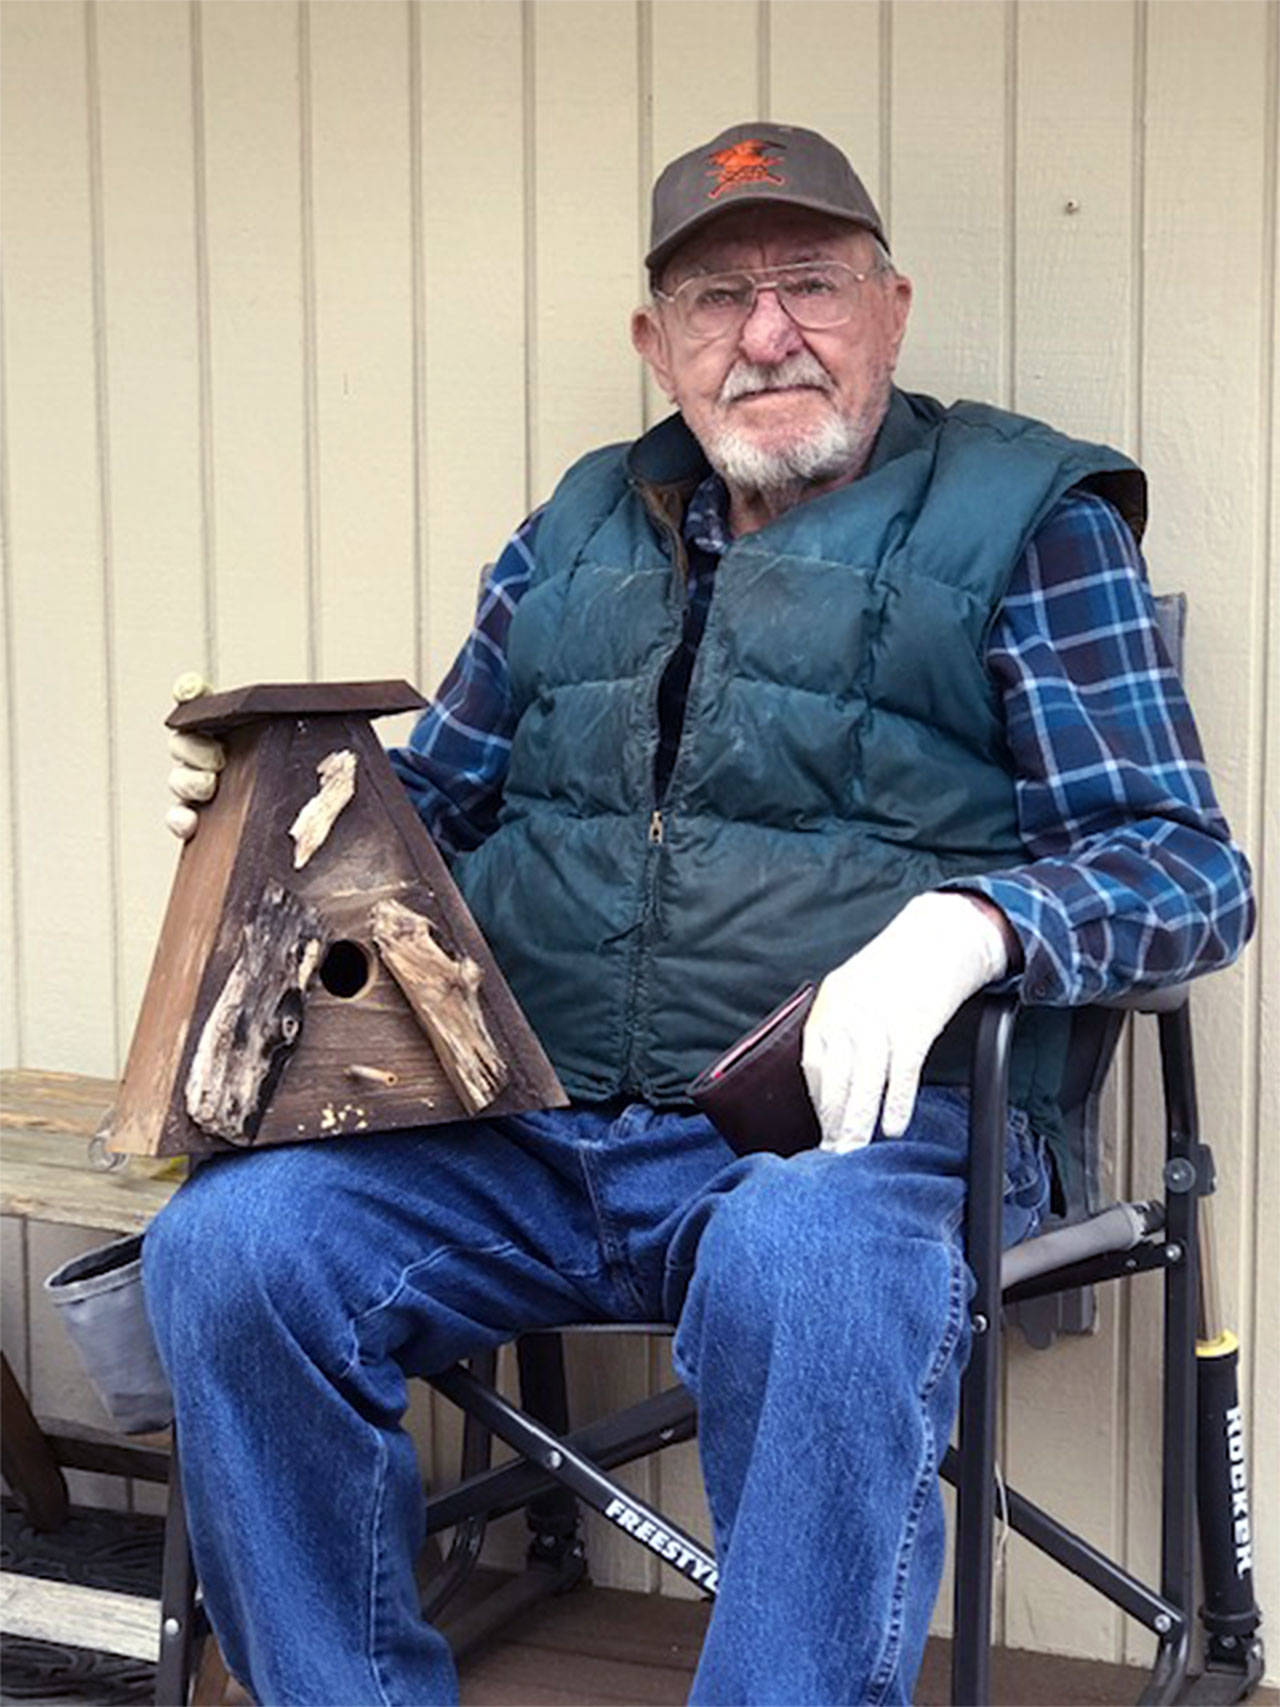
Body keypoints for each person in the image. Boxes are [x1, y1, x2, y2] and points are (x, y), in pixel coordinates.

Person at [149, 122, 1254, 1706]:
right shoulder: (574, 533)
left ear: (891, 306)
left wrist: (971, 925)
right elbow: (428, 828)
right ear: (656, 343)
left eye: (812, 283)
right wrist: (272, 818)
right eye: (719, 297)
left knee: (800, 1266)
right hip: (533, 1131)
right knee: (231, 1249)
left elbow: (1183, 866)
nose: (768, 332)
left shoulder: (1031, 521)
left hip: (871, 1142)